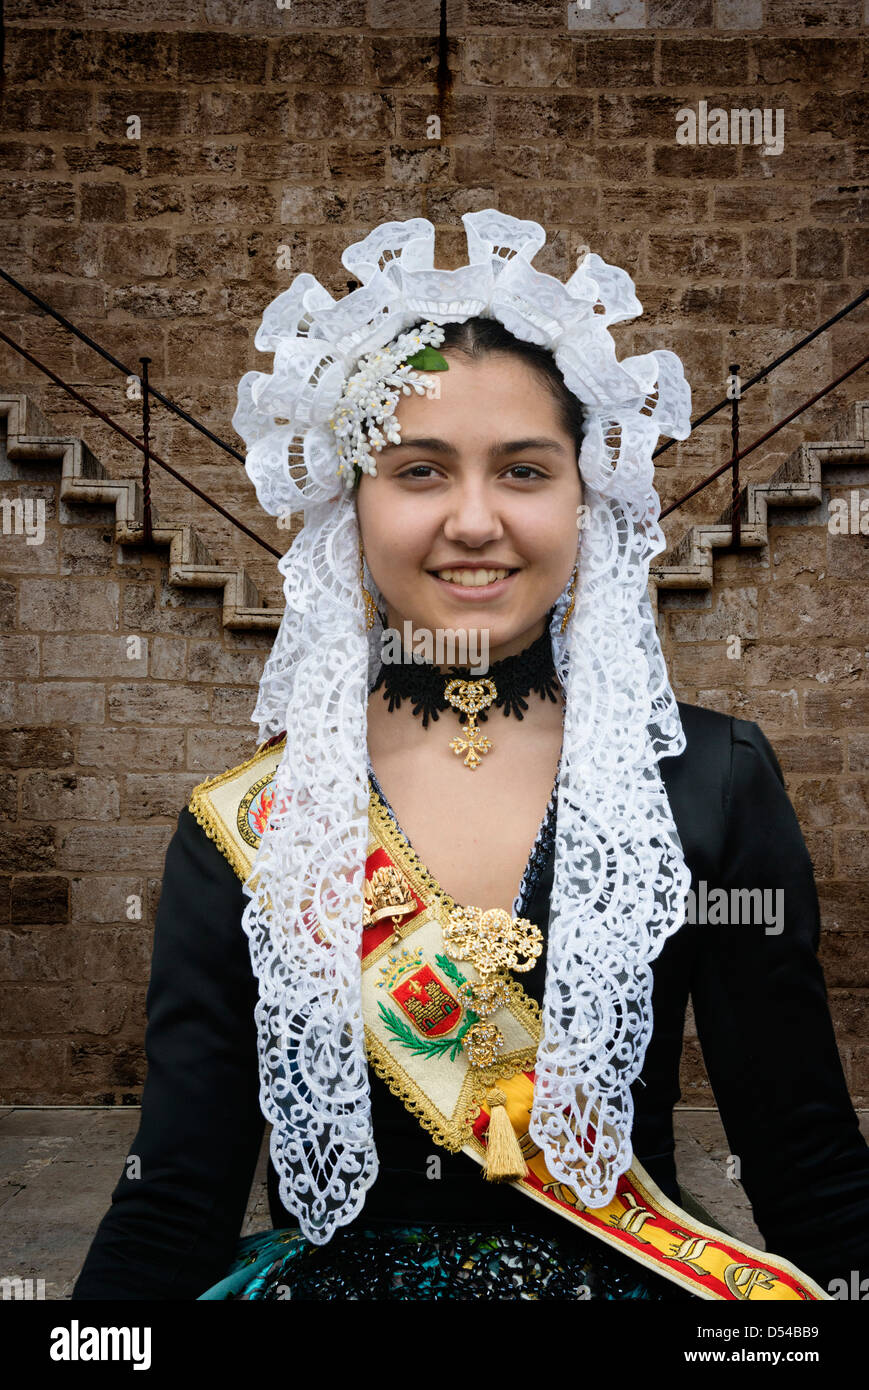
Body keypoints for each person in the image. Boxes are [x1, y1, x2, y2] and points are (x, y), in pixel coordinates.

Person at [72, 211, 869, 1301]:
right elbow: (172, 1202)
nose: (475, 520)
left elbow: (806, 1169)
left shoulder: (709, 778)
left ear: (586, 499)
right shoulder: (253, 826)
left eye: (524, 471)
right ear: (350, 502)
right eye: (419, 471)